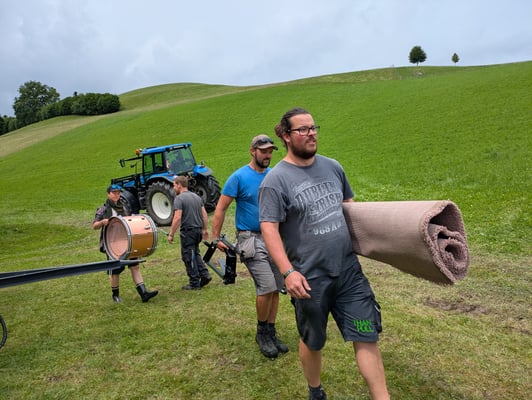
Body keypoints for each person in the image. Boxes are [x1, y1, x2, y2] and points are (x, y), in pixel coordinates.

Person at [259, 108, 390, 400]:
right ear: (286, 136)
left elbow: (350, 208)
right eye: (303, 129)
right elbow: (269, 228)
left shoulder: (333, 167)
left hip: (348, 272)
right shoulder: (275, 181)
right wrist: (288, 272)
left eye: (313, 127)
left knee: (365, 333)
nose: (311, 134)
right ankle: (315, 390)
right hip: (309, 279)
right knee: (313, 340)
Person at [211, 134, 288, 359]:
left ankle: (271, 332)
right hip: (250, 238)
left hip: (273, 237)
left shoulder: (274, 175)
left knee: (276, 287)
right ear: (252, 151)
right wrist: (216, 238)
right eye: (263, 151)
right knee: (266, 285)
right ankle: (262, 333)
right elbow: (221, 208)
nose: (268, 155)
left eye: (270, 151)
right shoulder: (238, 177)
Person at [92, 184, 159, 303]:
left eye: (118, 193)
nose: (117, 195)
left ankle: (143, 293)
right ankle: (115, 295)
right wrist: (102, 222)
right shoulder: (103, 209)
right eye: (114, 193)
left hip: (128, 241)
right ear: (108, 194)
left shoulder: (123, 206)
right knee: (115, 271)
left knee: (135, 266)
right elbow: (94, 225)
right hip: (113, 244)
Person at [168, 176, 212, 290]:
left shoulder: (179, 199)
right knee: (195, 253)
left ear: (179, 185)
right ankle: (205, 275)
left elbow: (177, 217)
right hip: (198, 231)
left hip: (188, 232)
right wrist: (204, 229)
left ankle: (194, 283)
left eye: (174, 185)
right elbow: (204, 214)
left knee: (188, 256)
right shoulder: (196, 197)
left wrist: (171, 234)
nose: (174, 188)